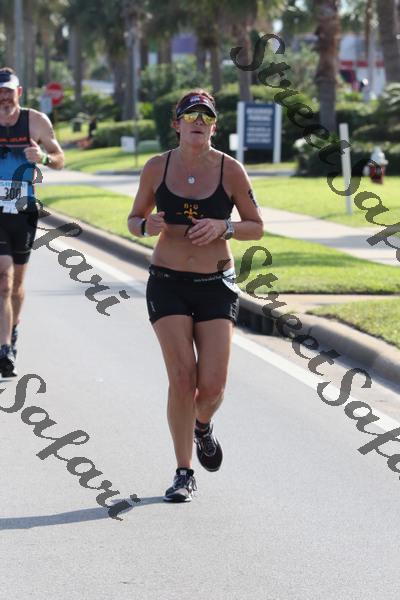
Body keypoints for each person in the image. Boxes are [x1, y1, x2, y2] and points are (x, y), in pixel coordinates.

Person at [127, 89, 263, 502]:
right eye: (190, 116)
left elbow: (256, 226)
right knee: (182, 379)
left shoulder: (230, 170)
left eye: (206, 117)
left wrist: (225, 227)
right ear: (177, 124)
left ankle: (202, 425)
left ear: (214, 126)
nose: (198, 122)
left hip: (215, 285)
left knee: (213, 387)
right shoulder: (157, 167)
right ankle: (183, 471)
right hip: (167, 282)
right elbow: (134, 219)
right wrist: (145, 226)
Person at [0, 67, 64, 377]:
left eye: (8, 92)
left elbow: (60, 158)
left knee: (17, 285)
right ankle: (4, 348)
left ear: (19, 93)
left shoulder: (35, 121)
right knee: (3, 280)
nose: (4, 98)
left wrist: (44, 158)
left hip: (23, 211)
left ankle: (12, 331)